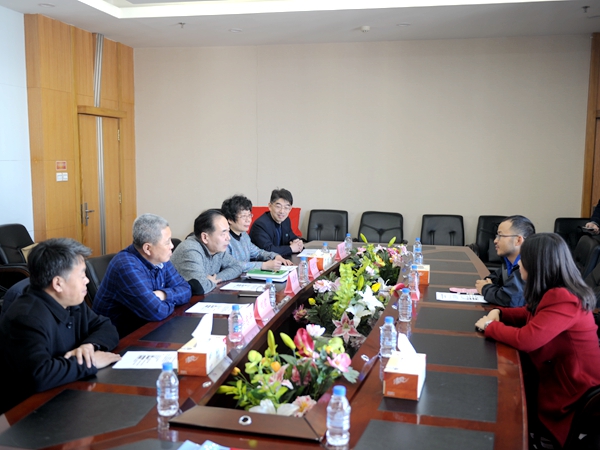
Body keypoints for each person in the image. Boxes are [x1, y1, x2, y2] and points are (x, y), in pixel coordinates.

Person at [475, 233, 600, 448]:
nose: (519, 264)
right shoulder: (555, 290)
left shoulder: (565, 298)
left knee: (502, 397)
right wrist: (501, 313)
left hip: (573, 388)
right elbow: (529, 312)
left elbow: (527, 340)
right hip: (558, 374)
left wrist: (490, 326)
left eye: (523, 259)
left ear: (538, 265)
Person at [0, 238, 121, 414]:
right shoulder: (26, 318)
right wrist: (91, 362)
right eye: (81, 275)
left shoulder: (71, 301)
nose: (87, 281)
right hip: (31, 413)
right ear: (58, 283)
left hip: (69, 394)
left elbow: (105, 326)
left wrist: (89, 346)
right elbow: (40, 375)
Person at [93, 214, 191, 338]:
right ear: (147, 248)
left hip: (148, 328)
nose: (172, 246)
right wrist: (173, 300)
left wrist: (163, 295)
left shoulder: (160, 259)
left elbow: (186, 290)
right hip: (119, 338)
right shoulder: (126, 266)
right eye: (167, 242)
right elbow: (156, 311)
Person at [171, 209, 244, 295]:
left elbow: (237, 267)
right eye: (223, 233)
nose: (228, 238)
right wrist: (208, 282)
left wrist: (215, 278)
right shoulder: (190, 249)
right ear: (205, 237)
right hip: (179, 301)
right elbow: (200, 287)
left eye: (228, 231)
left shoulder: (217, 249)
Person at [221, 195, 293, 272]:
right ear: (230, 219)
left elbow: (258, 253)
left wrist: (275, 256)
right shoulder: (224, 240)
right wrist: (263, 265)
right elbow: (232, 265)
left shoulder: (244, 235)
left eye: (249, 215)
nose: (248, 220)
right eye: (243, 216)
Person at [475, 215, 535, 307]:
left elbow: (511, 299)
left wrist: (485, 288)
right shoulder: (508, 261)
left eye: (500, 236)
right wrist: (489, 286)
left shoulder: (528, 265)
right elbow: (492, 279)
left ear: (518, 240)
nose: (495, 241)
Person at [249, 188, 303, 258]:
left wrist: (298, 243)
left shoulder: (285, 220)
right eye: (278, 207)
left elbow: (292, 237)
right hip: (264, 262)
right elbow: (267, 250)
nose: (282, 211)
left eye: (286, 207)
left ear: (290, 209)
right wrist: (291, 248)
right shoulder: (260, 225)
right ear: (270, 206)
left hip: (281, 260)